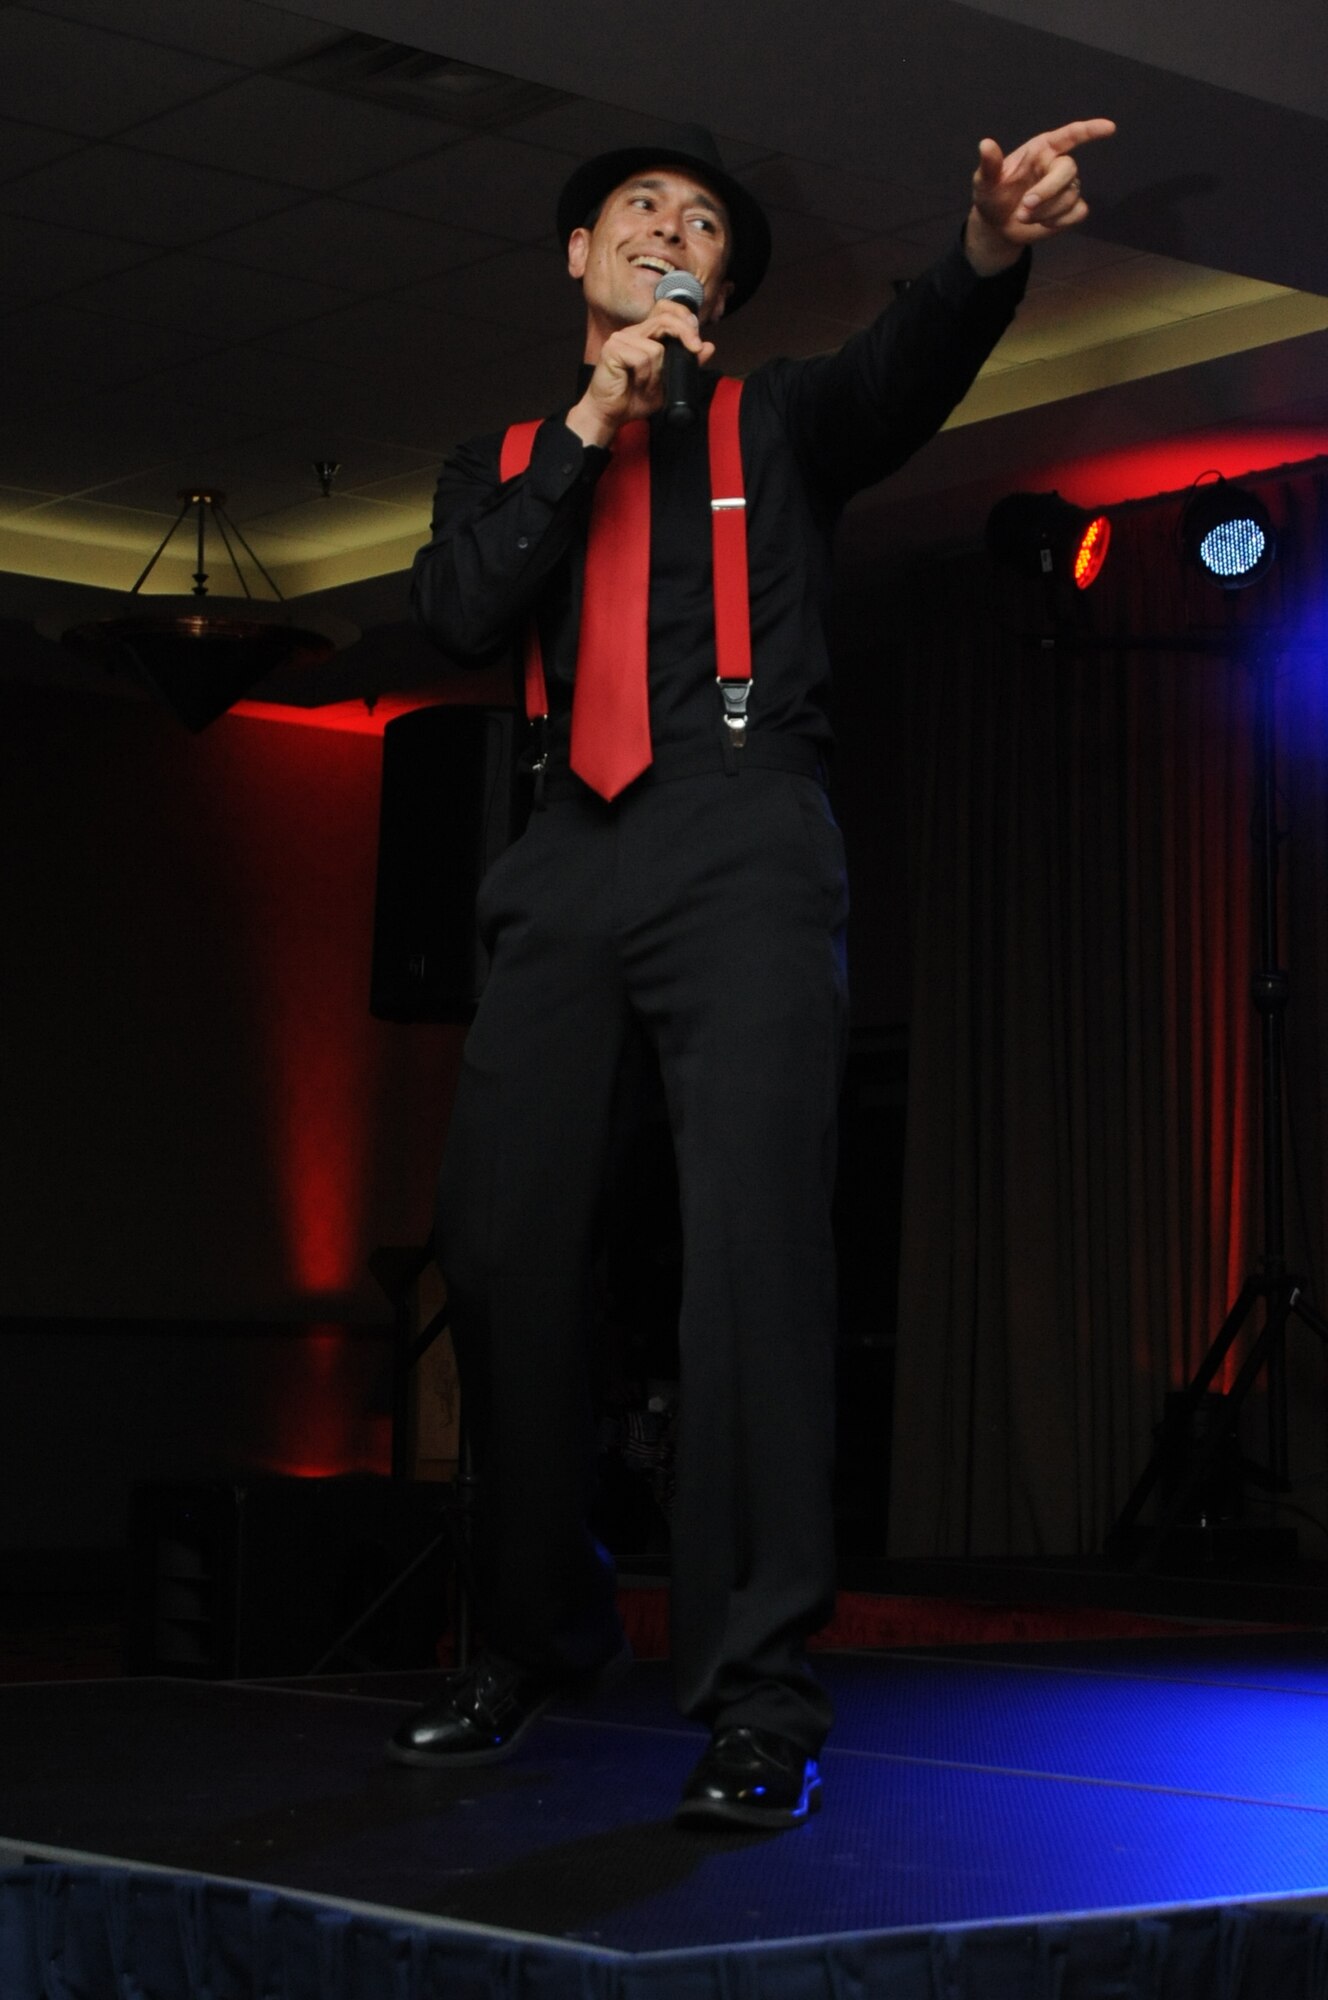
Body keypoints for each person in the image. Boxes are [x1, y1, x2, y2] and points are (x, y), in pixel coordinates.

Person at [391, 114, 1115, 1829]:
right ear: (582, 260)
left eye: (700, 220)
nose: (668, 227)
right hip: (568, 847)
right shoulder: (503, 452)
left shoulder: (778, 424)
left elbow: (907, 364)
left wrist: (991, 254)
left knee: (755, 1266)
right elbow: (467, 618)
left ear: (719, 283)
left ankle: (759, 1695)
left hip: (745, 826)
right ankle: (540, 1632)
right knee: (501, 1258)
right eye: (638, 209)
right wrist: (587, 427)